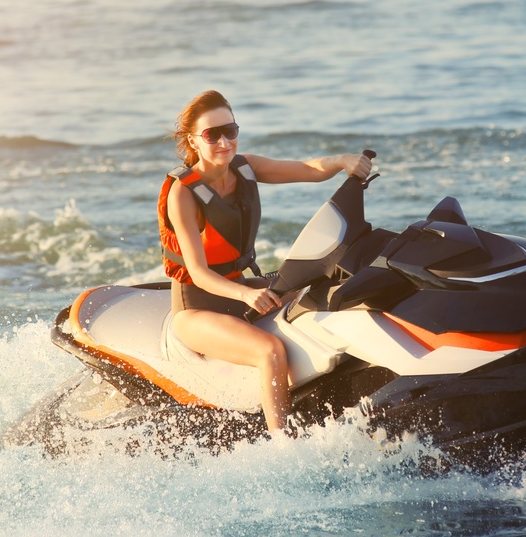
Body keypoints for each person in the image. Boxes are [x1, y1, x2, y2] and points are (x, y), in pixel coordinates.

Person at [158, 90, 372, 433]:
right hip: (197, 309)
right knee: (270, 351)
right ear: (193, 141)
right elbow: (197, 273)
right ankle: (282, 446)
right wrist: (246, 295)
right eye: (212, 134)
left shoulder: (246, 167)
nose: (225, 141)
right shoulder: (183, 193)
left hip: (240, 287)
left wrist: (341, 161)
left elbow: (305, 169)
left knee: (325, 287)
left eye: (231, 130)